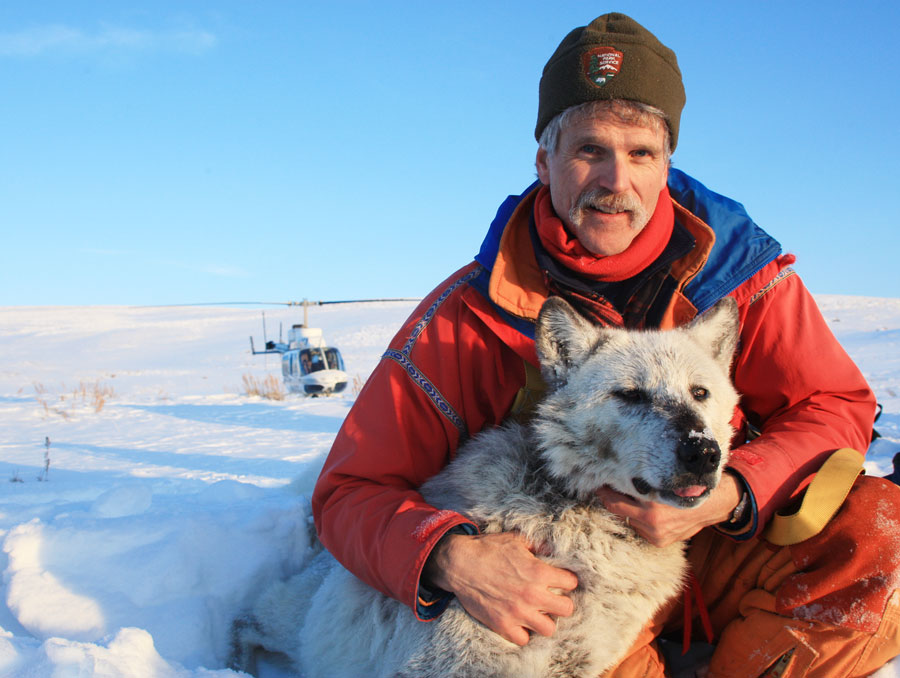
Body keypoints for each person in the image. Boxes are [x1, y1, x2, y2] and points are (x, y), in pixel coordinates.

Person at [312, 12, 900, 677]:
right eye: (590, 149)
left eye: (640, 153)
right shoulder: (466, 316)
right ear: (545, 161)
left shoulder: (742, 277)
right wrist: (453, 557)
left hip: (717, 534)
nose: (615, 179)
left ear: (665, 163)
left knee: (881, 537)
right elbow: (348, 491)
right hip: (563, 569)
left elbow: (837, 405)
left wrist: (734, 492)